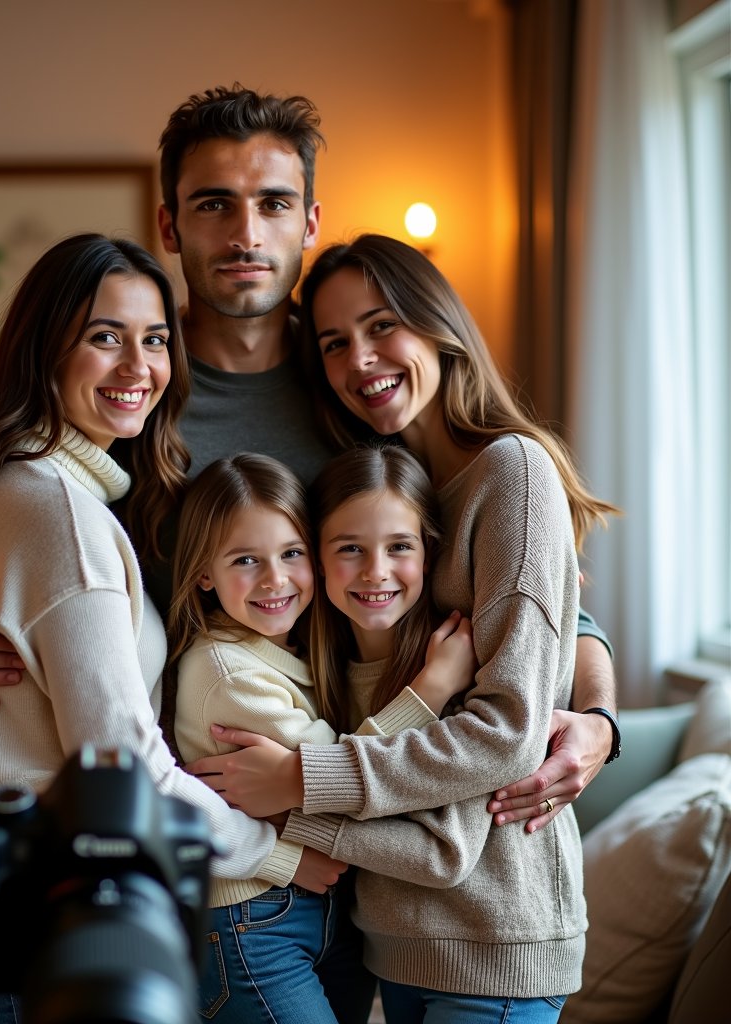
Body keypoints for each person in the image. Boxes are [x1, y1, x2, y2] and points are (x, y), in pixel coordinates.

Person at [0, 85, 618, 834]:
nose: (245, 235)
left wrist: (597, 718)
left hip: (356, 816)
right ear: (170, 223)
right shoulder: (132, 387)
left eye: (274, 204)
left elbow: (529, 590)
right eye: (214, 205)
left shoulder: (361, 387)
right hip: (184, 827)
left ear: (310, 222)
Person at [0, 235, 343, 1024]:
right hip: (33, 940)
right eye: (105, 337)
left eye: (154, 339)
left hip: (7, 923)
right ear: (45, 352)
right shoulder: (60, 519)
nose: (138, 367)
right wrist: (273, 853)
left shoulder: (43, 490)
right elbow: (124, 766)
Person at [185, 235, 620, 1022]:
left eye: (382, 326)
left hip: (494, 931)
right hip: (398, 931)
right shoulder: (388, 487)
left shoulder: (510, 472)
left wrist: (296, 789)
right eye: (334, 343)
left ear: (437, 326)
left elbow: (510, 728)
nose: (361, 358)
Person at [168, 452, 475, 1024]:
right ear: (204, 573)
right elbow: (340, 776)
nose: (275, 579)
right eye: (244, 560)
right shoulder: (228, 673)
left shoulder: (291, 651)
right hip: (252, 919)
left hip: (312, 911)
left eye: (291, 554)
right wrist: (430, 692)